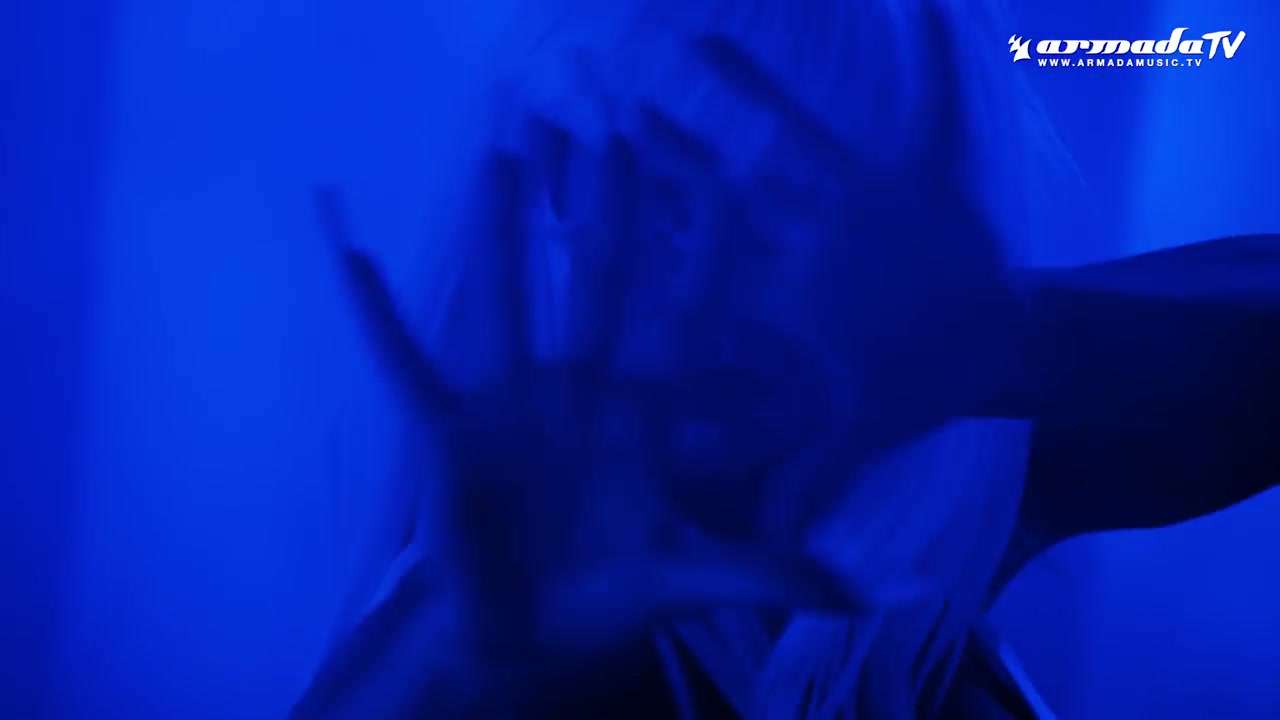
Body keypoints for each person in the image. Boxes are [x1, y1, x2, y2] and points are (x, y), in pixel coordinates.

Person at [293, 0, 1084, 717]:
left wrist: (1019, 354)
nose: (721, 281)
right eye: (663, 195)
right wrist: (457, 664)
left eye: (793, 204)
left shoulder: (931, 598)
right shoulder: (523, 614)